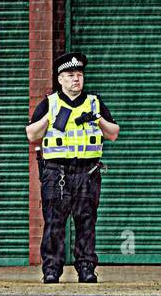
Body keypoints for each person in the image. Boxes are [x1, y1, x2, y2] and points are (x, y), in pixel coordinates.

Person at [25, 52, 120, 283]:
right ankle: (51, 269)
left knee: (86, 222)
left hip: (87, 172)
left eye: (79, 75)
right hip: (56, 172)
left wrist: (97, 119)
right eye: (70, 75)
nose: (76, 79)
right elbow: (32, 135)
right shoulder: (50, 103)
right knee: (54, 223)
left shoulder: (94, 103)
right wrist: (50, 118)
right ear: (60, 79)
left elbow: (113, 133)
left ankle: (86, 268)